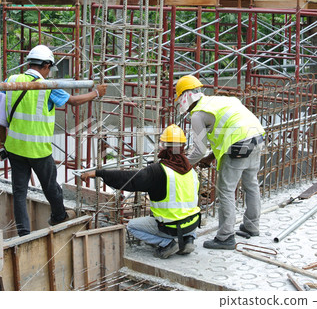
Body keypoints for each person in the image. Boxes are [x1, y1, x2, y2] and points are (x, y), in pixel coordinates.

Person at [0, 44, 107, 236]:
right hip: (39, 150)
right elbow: (73, 101)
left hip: (14, 148)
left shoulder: (10, 81)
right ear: (46, 65)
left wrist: (3, 142)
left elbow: (0, 119)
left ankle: (23, 234)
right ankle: (59, 215)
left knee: (20, 193)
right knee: (50, 186)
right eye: (49, 69)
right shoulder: (46, 86)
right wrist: (96, 93)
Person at [80, 124, 201, 259]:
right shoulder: (191, 170)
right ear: (183, 147)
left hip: (170, 226)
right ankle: (188, 239)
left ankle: (168, 243)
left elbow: (129, 179)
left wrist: (98, 173)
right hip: (192, 223)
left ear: (164, 147)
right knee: (186, 216)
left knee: (132, 226)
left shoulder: (158, 171)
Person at [175, 75, 265, 250]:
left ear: (184, 97)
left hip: (239, 145)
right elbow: (227, 129)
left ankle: (225, 237)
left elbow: (198, 150)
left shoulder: (197, 115)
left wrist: (183, 165)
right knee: (251, 184)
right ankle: (251, 226)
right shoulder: (218, 100)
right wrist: (210, 158)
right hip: (257, 137)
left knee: (225, 190)